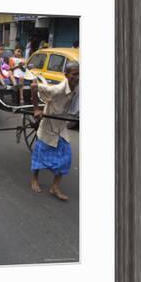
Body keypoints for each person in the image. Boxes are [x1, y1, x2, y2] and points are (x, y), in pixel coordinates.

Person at [29, 61, 80, 201]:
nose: (78, 77)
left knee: (66, 156)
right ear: (66, 75)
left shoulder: (79, 88)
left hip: (61, 126)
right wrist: (36, 109)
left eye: (79, 74)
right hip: (49, 125)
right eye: (74, 74)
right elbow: (34, 86)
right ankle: (34, 179)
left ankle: (55, 187)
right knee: (39, 155)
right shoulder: (57, 90)